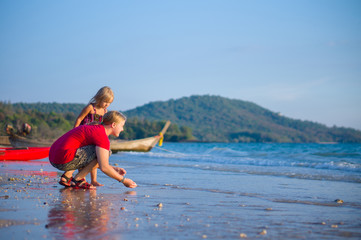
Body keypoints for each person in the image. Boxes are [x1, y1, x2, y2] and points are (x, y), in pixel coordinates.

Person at [49, 111, 137, 189]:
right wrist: (124, 181)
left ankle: (68, 177)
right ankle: (78, 180)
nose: (123, 129)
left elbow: (97, 162)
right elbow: (104, 167)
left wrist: (114, 169)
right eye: (122, 126)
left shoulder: (95, 128)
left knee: (100, 152)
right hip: (62, 160)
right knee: (107, 152)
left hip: (54, 158)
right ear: (113, 125)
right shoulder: (101, 135)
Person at [59, 86, 114, 187]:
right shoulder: (90, 108)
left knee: (95, 156)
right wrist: (73, 132)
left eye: (109, 103)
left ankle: (93, 180)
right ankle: (75, 178)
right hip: (83, 137)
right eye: (105, 101)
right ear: (99, 98)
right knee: (81, 156)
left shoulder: (104, 111)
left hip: (94, 137)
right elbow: (79, 119)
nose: (107, 104)